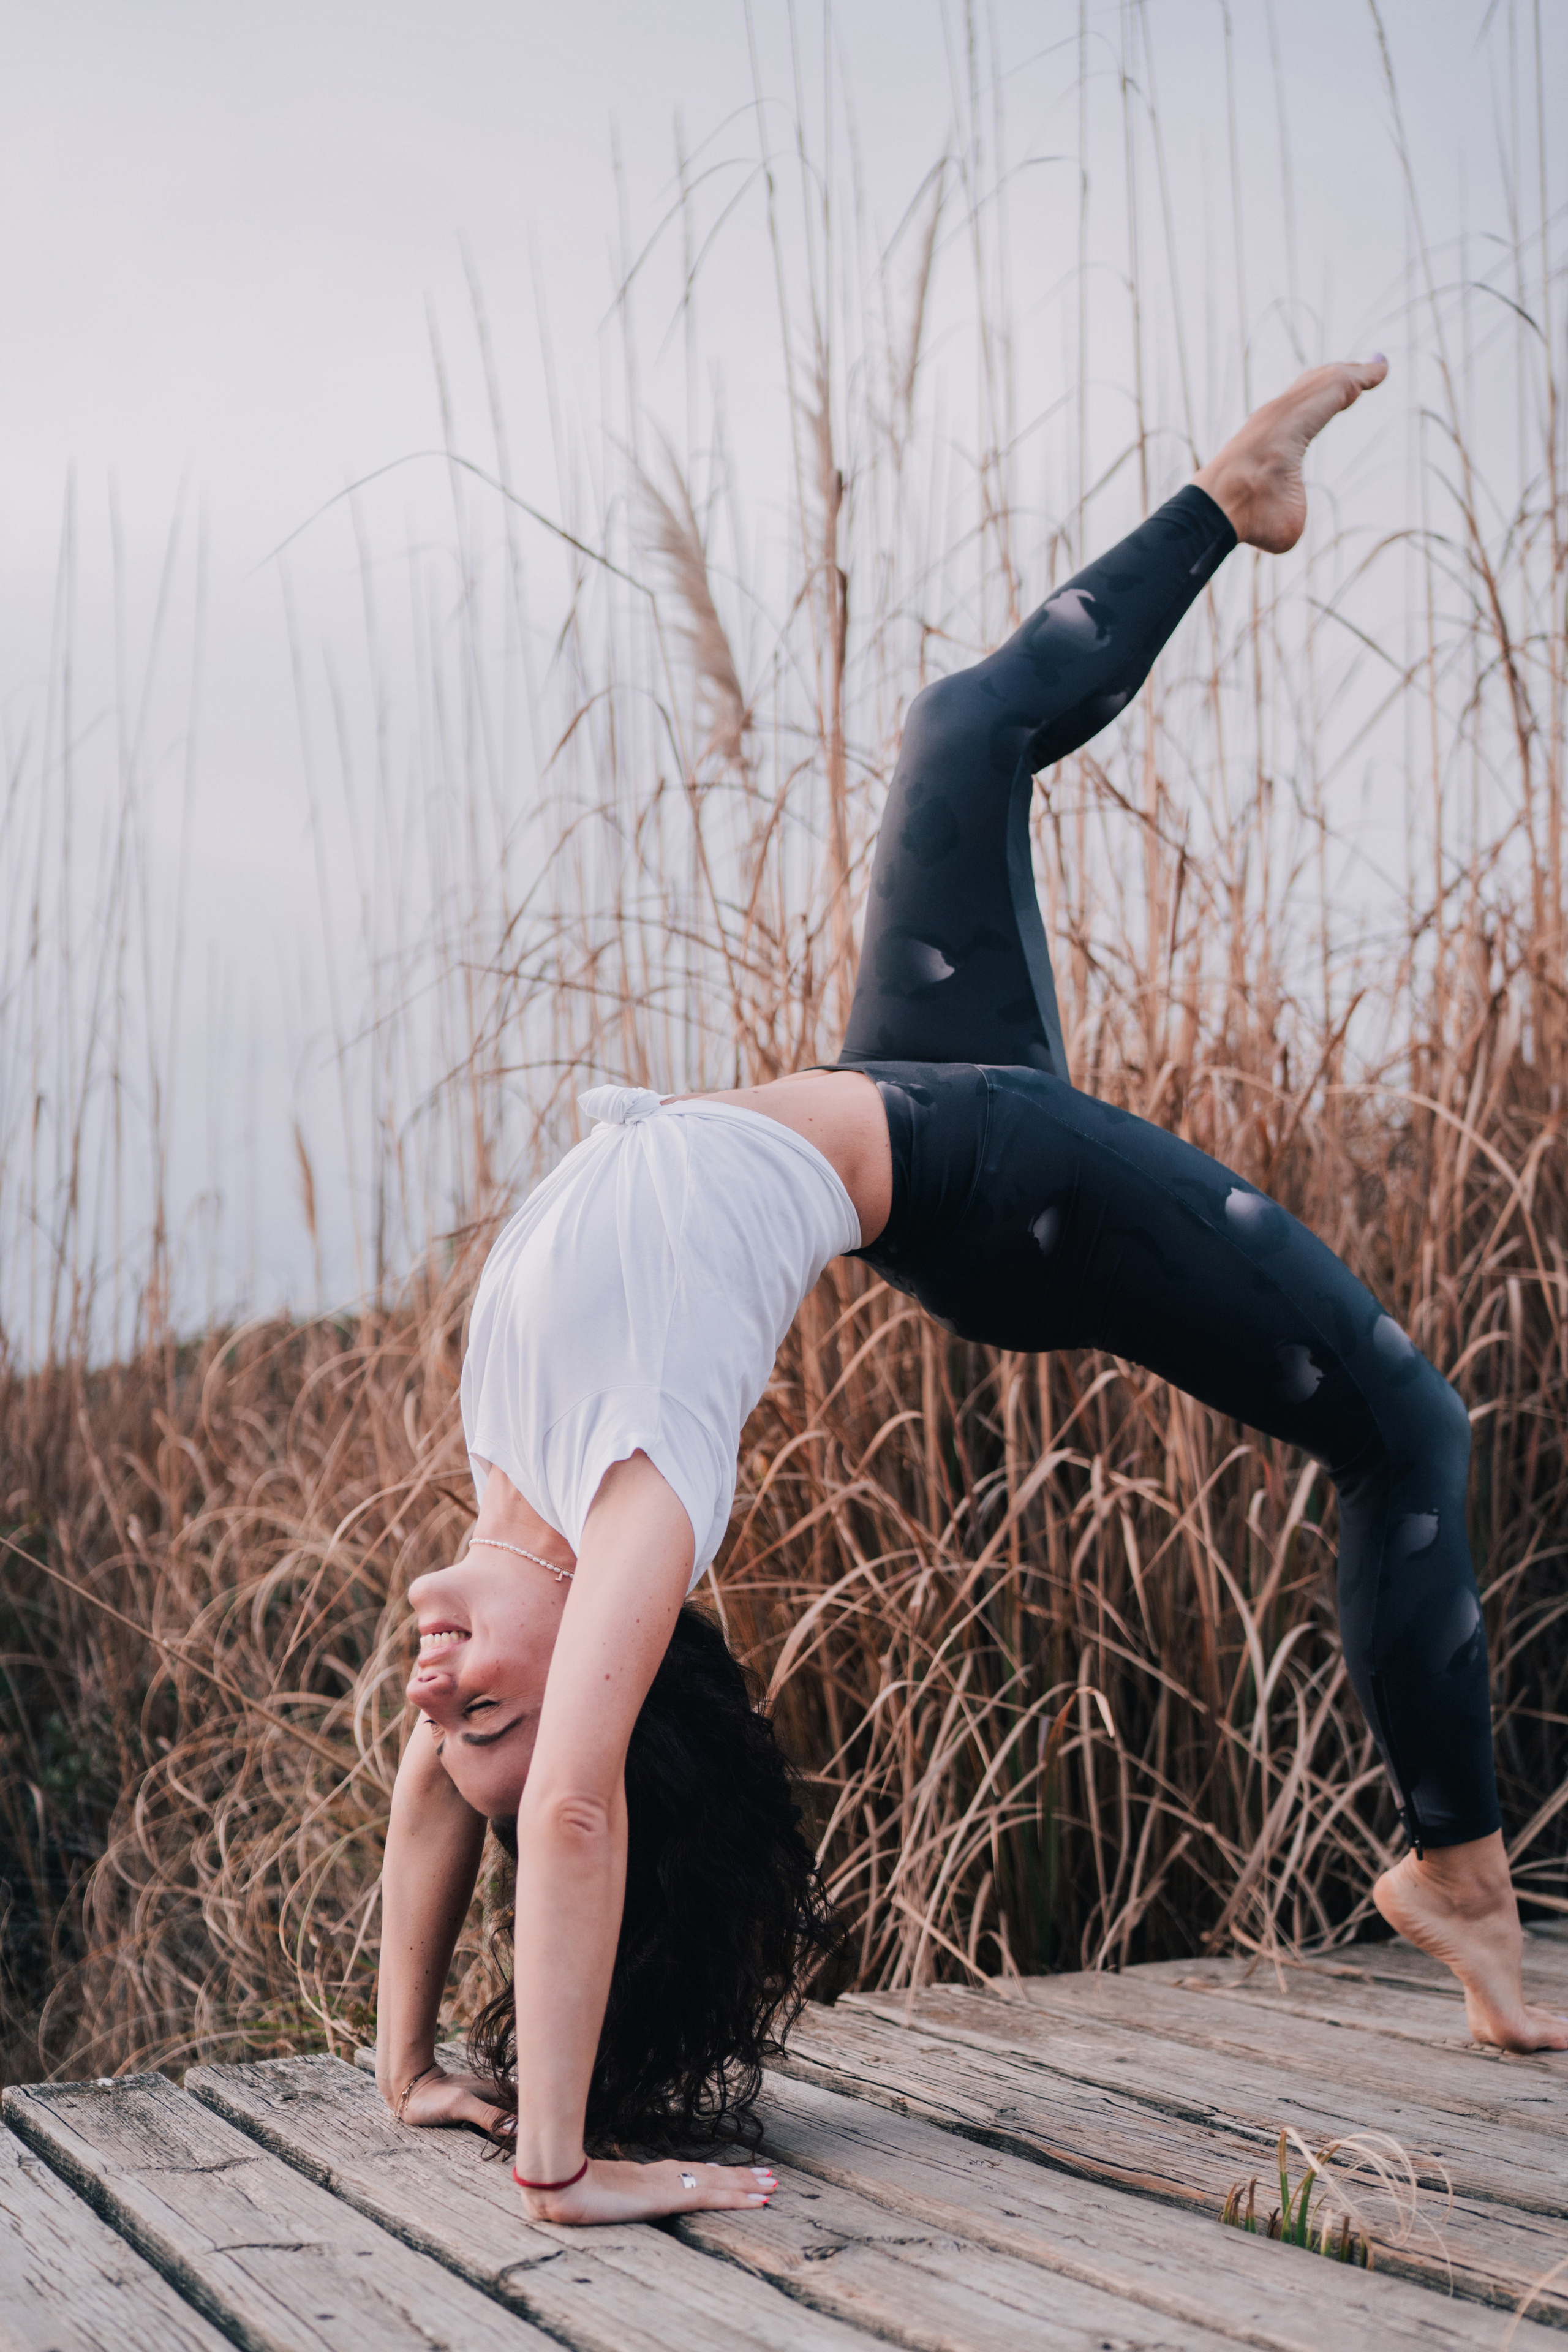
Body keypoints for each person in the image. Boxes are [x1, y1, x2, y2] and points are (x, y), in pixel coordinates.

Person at [374, 360, 1568, 2228]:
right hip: (1005, 1195)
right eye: (488, 1707)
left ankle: (1224, 500)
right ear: (607, 1663)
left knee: (959, 724)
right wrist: (556, 2165)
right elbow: (576, 1798)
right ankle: (1465, 1885)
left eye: (449, 1704)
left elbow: (447, 1790)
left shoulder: (507, 1474)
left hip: (919, 1093)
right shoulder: (638, 1504)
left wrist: (405, 2066)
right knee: (1410, 1423)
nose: (439, 1685)